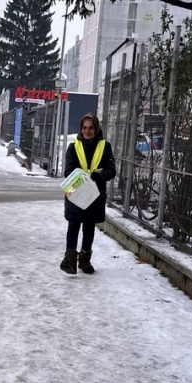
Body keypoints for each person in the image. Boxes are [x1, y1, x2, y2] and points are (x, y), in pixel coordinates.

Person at [61, 113, 116, 275]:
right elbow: (68, 171)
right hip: (76, 191)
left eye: (91, 127)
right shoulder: (73, 147)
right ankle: (70, 260)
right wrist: (82, 178)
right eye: (84, 128)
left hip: (95, 193)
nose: (87, 131)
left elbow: (111, 170)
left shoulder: (105, 146)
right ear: (81, 129)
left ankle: (85, 262)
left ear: (96, 128)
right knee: (73, 225)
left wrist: (99, 176)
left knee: (89, 227)